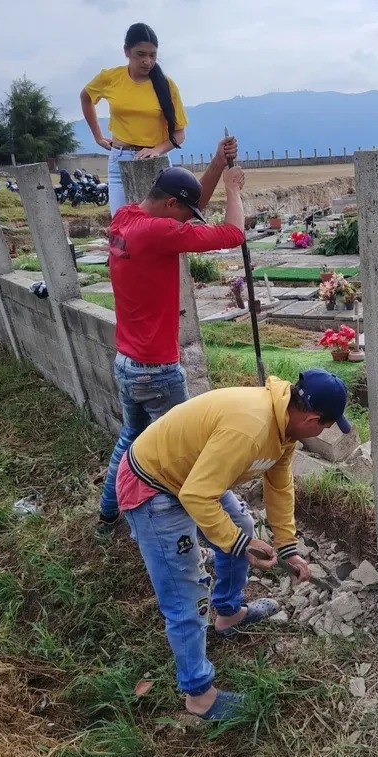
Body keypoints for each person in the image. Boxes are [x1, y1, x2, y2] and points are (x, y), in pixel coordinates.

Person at [117, 368, 353, 720]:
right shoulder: (250, 428)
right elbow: (197, 494)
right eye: (326, 426)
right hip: (154, 486)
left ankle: (228, 614)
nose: (323, 433)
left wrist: (287, 545)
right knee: (186, 594)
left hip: (191, 475)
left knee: (241, 521)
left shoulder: (283, 426)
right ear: (312, 418)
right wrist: (239, 544)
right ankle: (199, 696)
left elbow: (279, 484)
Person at [96, 139, 242, 540]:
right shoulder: (157, 233)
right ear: (170, 207)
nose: (189, 218)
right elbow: (232, 233)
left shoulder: (126, 217)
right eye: (185, 211)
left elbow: (191, 210)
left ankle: (107, 518)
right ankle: (226, 530)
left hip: (127, 362)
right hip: (157, 371)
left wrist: (216, 163)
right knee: (188, 454)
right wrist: (233, 187)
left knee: (130, 441)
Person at [81, 22, 188, 215]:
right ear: (127, 51)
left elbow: (179, 134)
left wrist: (156, 150)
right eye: (141, 54)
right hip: (120, 160)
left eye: (152, 55)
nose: (147, 61)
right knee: (123, 228)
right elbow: (86, 98)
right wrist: (98, 136)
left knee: (160, 228)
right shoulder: (110, 78)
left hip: (157, 164)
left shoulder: (166, 85)